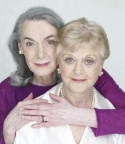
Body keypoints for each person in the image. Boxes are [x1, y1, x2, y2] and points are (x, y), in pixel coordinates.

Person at [0, 6, 125, 144]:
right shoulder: (6, 91)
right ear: (20, 47)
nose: (41, 54)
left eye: (50, 42)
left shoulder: (90, 75)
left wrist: (74, 115)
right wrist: (8, 130)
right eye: (30, 43)